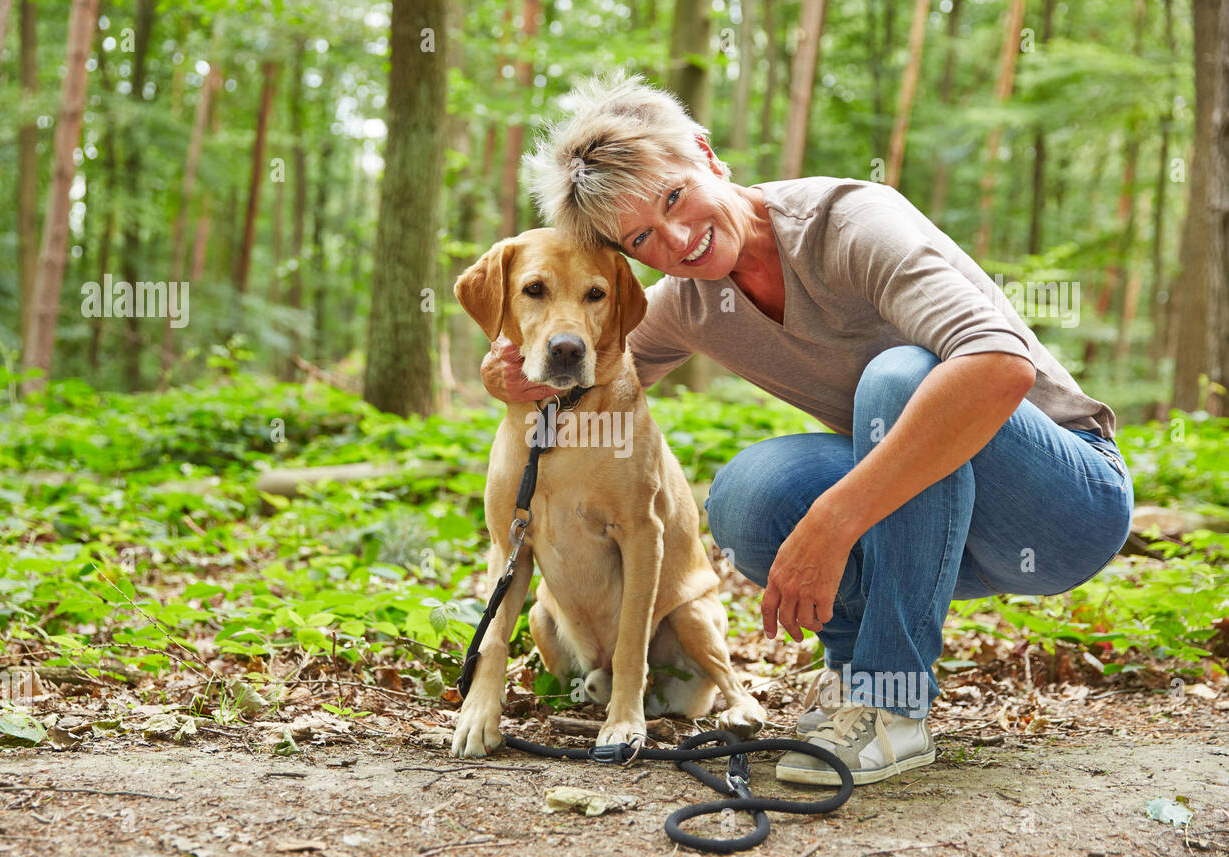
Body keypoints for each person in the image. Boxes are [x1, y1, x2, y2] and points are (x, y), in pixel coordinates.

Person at [478, 73, 1134, 785]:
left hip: (1064, 506)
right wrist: (509, 378)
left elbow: (1000, 367)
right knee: (748, 494)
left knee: (900, 376)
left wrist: (836, 518)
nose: (676, 238)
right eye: (643, 237)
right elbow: (595, 371)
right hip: (941, 519)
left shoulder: (851, 223)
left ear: (704, 152)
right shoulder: (689, 301)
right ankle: (855, 681)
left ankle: (894, 702)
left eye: (674, 198)